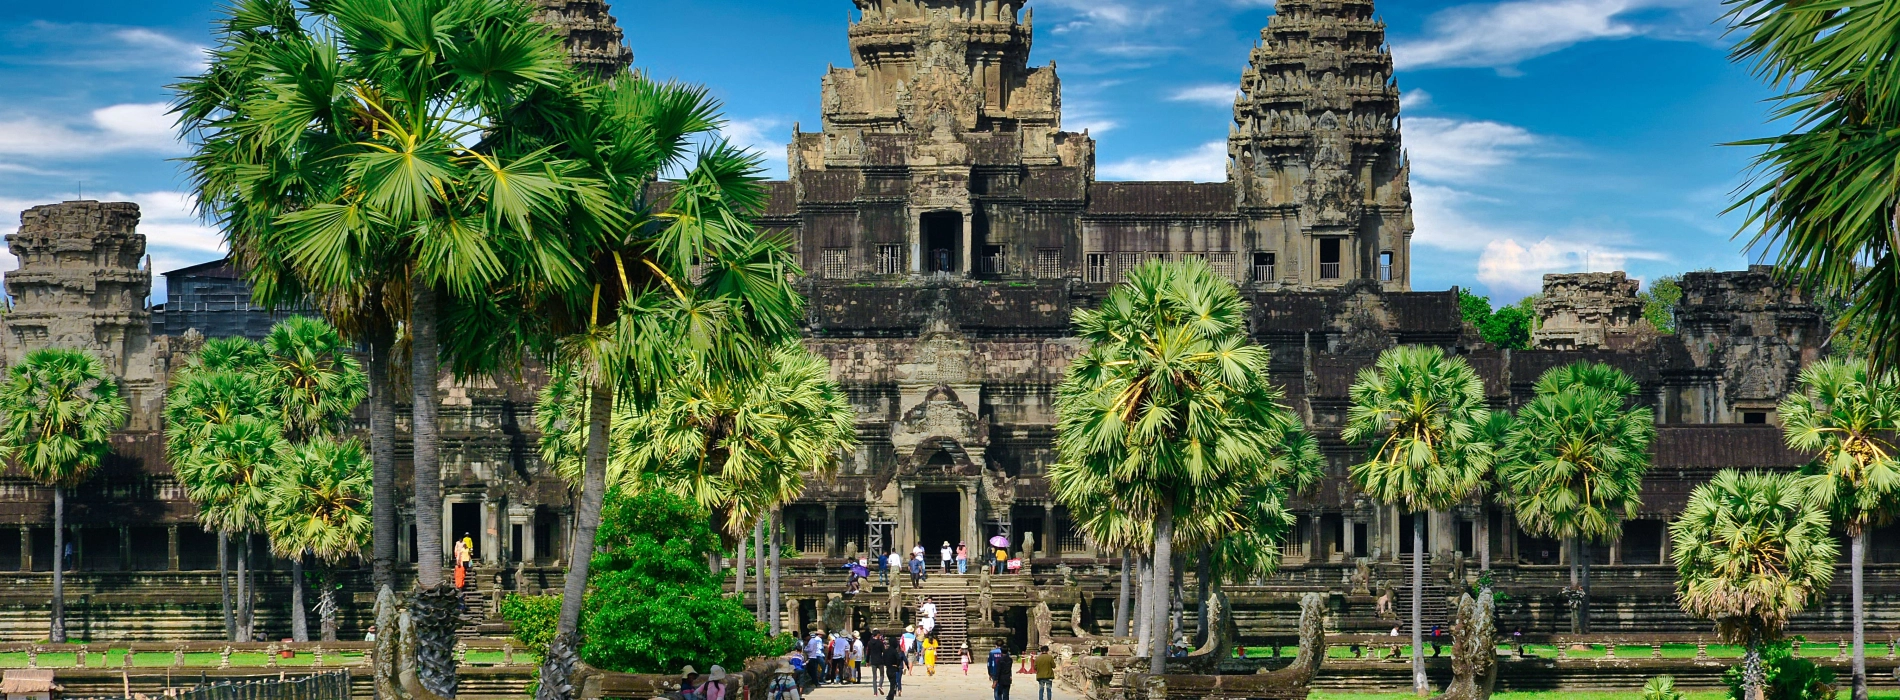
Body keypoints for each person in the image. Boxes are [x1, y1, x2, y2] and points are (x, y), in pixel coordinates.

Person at [884, 635, 907, 700]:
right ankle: (890, 697)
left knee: (892, 683)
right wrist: (897, 664)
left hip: (888, 668)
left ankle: (890, 696)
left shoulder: (886, 650)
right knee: (893, 684)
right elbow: (899, 659)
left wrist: (887, 664)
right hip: (893, 668)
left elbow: (883, 659)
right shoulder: (894, 651)